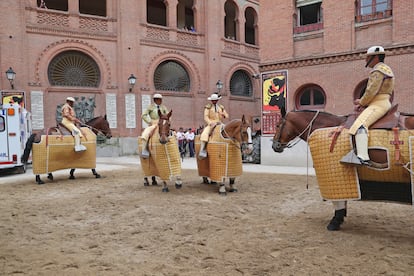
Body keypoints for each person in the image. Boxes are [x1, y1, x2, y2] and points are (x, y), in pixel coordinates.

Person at [340, 45, 394, 168]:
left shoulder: (378, 70)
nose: (365, 60)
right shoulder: (386, 69)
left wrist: (361, 102)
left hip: (378, 103)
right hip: (380, 102)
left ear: (374, 57)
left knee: (360, 125)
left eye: (367, 57)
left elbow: (371, 91)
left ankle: (363, 157)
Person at [198, 93, 229, 159]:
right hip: (211, 123)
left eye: (215, 100)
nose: (214, 101)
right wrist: (210, 123)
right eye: (213, 100)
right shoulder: (208, 107)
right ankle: (202, 150)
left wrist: (224, 115)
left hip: (220, 123)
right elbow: (205, 117)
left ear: (217, 100)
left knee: (228, 131)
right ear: (211, 101)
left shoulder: (221, 107)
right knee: (205, 133)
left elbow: (226, 115)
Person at [140, 93, 169, 158]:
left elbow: (167, 115)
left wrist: (167, 121)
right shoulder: (150, 107)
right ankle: (145, 150)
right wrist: (149, 121)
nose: (160, 101)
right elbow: (143, 115)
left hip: (162, 123)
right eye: (159, 99)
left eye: (161, 99)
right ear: (155, 100)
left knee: (172, 133)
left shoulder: (163, 107)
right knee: (146, 133)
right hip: (154, 123)